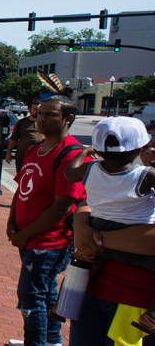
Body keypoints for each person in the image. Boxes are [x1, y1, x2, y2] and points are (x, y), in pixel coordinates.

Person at [54, 143, 155, 346]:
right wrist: (83, 222)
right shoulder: (130, 180)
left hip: (138, 307)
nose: (152, 150)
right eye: (150, 143)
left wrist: (96, 235)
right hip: (94, 291)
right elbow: (88, 204)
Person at [2, 95, 86, 346]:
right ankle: (50, 344)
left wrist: (26, 234)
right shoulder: (37, 149)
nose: (41, 118)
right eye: (39, 113)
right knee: (46, 291)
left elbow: (64, 205)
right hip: (28, 237)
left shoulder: (72, 154)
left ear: (67, 119)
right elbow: (21, 188)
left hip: (49, 241)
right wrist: (13, 223)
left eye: (50, 115)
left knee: (31, 295)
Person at [63, 116, 155, 333]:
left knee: (83, 266)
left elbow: (69, 173)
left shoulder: (90, 169)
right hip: (131, 237)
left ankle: (62, 304)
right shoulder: (146, 175)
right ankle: (151, 317)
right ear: (138, 149)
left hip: (98, 227)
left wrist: (84, 153)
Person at [6, 99, 43, 172]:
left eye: (39, 109)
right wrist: (8, 153)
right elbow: (13, 139)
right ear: (29, 109)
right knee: (22, 180)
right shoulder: (21, 123)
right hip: (22, 157)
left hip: (39, 158)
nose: (38, 111)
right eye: (35, 109)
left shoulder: (45, 124)